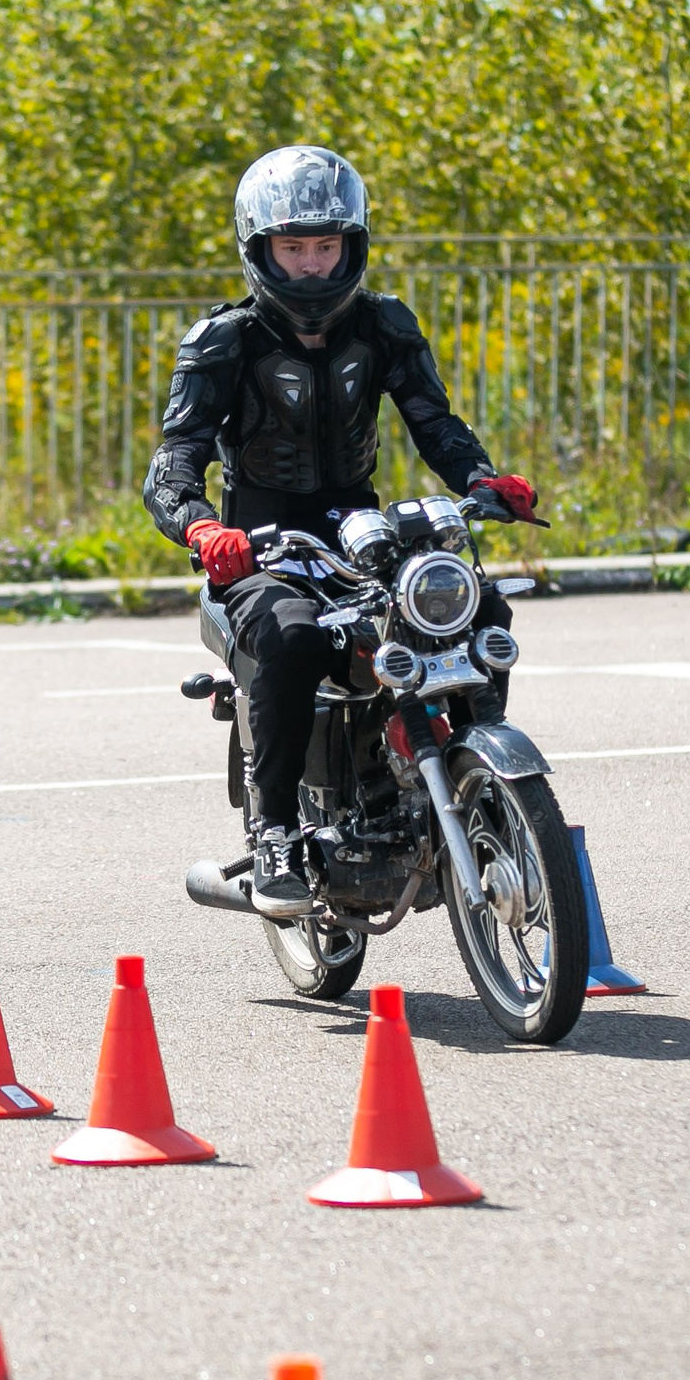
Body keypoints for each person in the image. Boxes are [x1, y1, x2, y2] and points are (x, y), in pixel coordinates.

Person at [142, 144, 541, 918]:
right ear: (261, 250)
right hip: (259, 540)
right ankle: (278, 831)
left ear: (352, 245)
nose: (313, 266)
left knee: (476, 606)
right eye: (294, 248)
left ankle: (475, 769)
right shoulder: (225, 341)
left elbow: (435, 423)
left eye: (327, 246)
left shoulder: (384, 325)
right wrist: (200, 528)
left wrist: (480, 481)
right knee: (291, 636)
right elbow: (172, 465)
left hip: (356, 524)